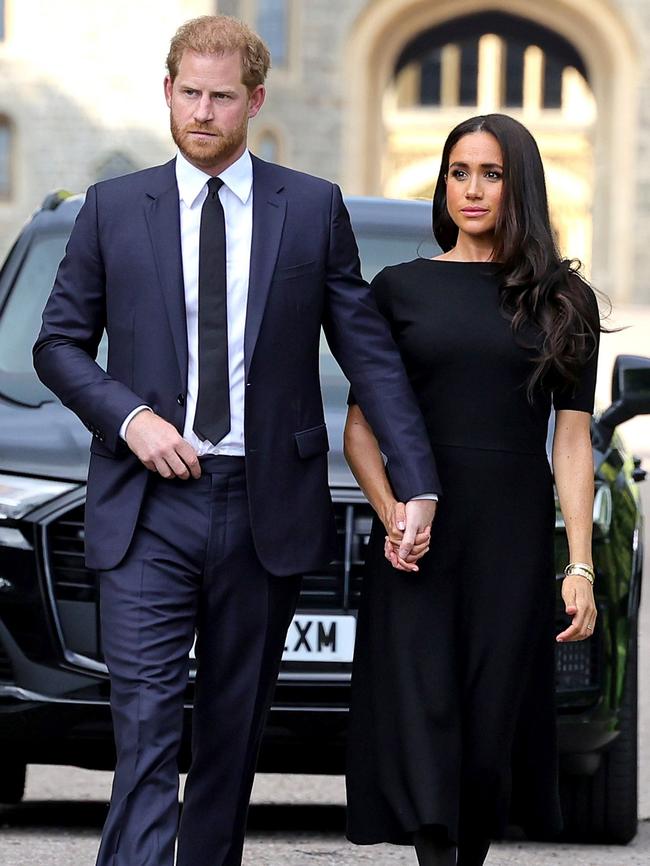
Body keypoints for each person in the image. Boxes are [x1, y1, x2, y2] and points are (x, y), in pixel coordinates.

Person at [32, 15, 439, 866]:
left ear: (255, 100)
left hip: (264, 510)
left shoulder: (312, 209)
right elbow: (59, 344)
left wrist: (418, 482)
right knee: (144, 734)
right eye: (190, 93)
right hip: (145, 508)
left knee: (228, 740)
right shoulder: (110, 208)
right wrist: (130, 418)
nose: (204, 112)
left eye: (223, 97)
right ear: (168, 92)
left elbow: (370, 356)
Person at [344, 113, 601, 866]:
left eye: (490, 174)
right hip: (420, 537)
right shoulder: (399, 290)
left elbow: (574, 437)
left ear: (518, 184)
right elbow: (361, 428)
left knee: (489, 723)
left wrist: (578, 564)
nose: (472, 189)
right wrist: (392, 513)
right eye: (459, 172)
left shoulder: (563, 301)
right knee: (424, 711)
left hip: (511, 535)